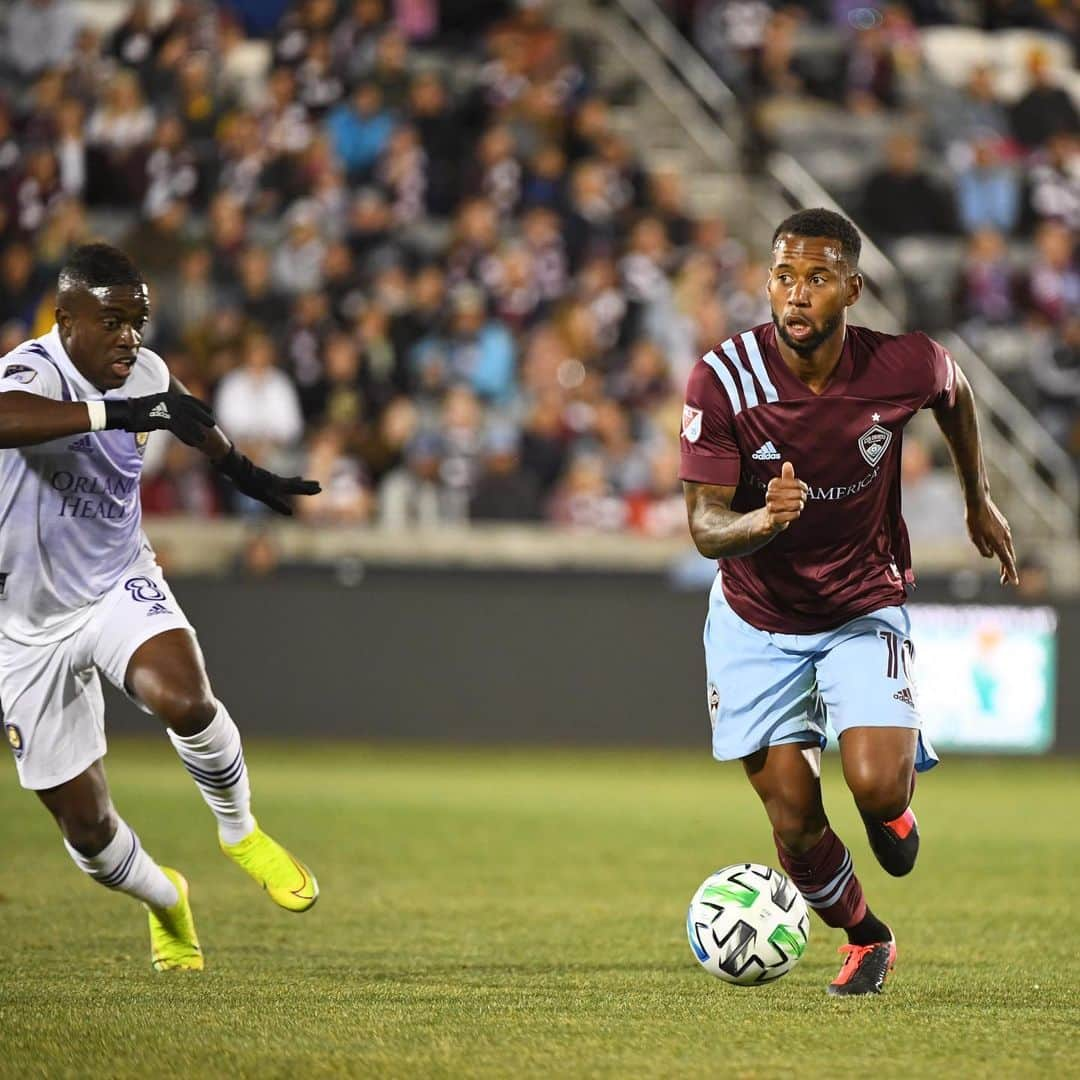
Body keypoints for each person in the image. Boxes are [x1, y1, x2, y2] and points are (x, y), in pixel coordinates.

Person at [679, 209, 1017, 996]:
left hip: (862, 603)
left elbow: (955, 390)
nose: (796, 295)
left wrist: (978, 499)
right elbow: (702, 526)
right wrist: (763, 519)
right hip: (755, 619)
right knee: (793, 824)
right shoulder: (724, 379)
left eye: (818, 278)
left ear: (852, 290)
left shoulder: (901, 364)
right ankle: (868, 938)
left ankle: (894, 801)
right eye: (783, 276)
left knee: (876, 791)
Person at [0, 244, 322, 972]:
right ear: (67, 318)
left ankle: (239, 833)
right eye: (112, 322)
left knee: (184, 697)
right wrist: (119, 411)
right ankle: (166, 899)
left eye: (138, 322)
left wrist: (243, 470)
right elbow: (5, 416)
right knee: (87, 830)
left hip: (116, 581)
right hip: (24, 627)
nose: (129, 338)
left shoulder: (142, 371)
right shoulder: (32, 369)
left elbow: (182, 414)